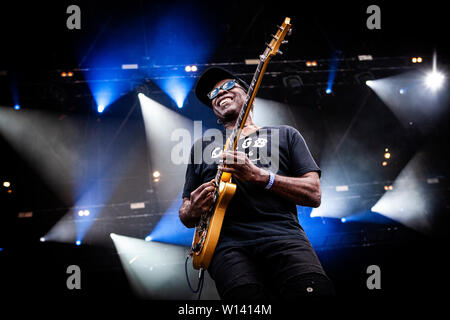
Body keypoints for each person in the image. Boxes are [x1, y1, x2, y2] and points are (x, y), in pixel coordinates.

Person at [179, 67, 334, 300]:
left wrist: (261, 177)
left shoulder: (285, 135)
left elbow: (313, 193)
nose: (219, 93)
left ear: (248, 94)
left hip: (285, 238)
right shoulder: (201, 147)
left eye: (227, 86)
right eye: (213, 94)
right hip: (227, 248)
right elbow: (185, 213)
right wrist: (193, 208)